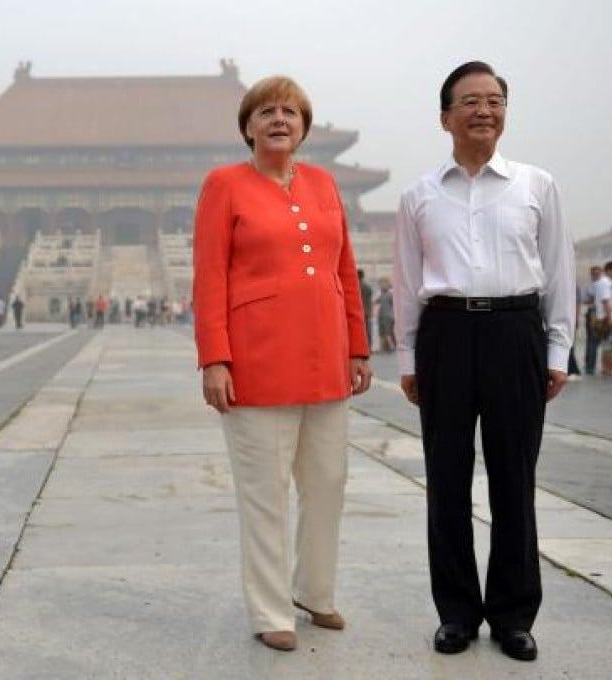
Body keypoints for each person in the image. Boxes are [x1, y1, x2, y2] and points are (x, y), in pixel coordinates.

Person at [393, 62, 575, 662]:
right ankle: (457, 614)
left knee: (513, 479)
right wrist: (408, 357)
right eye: (469, 100)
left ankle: (514, 614)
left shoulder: (536, 184)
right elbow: (406, 282)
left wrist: (555, 350)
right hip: (444, 333)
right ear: (445, 117)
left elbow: (558, 273)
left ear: (505, 113)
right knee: (445, 479)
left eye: (494, 100)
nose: (483, 110)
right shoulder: (419, 195)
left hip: (513, 331)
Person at [193, 75, 371, 652]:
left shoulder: (323, 183)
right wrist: (215, 358)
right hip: (256, 361)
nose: (279, 120)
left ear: (304, 128)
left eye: (291, 113)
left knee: (327, 483)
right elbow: (210, 277)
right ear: (247, 127)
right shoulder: (224, 185)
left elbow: (345, 270)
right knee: (265, 492)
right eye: (265, 111)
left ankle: (315, 592)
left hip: (326, 360)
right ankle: (272, 609)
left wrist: (358, 346)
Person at [582, 265, 602, 375]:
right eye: (594, 273)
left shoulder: (604, 285)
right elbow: (585, 300)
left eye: (598, 273)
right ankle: (590, 365)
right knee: (592, 340)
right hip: (592, 313)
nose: (596, 275)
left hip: (601, 313)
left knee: (594, 340)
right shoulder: (587, 286)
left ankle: (590, 363)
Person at [376, 276, 396, 352]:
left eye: (383, 284)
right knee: (382, 332)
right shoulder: (381, 294)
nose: (381, 285)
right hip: (382, 315)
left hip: (388, 316)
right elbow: (375, 301)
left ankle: (391, 346)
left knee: (387, 332)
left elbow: (394, 304)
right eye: (380, 284)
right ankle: (382, 347)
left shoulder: (390, 294)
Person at [357, 269, 373, 348]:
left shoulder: (356, 286)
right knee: (367, 330)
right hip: (366, 311)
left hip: (359, 311)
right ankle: (369, 346)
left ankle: (362, 346)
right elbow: (370, 300)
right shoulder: (367, 287)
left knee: (360, 331)